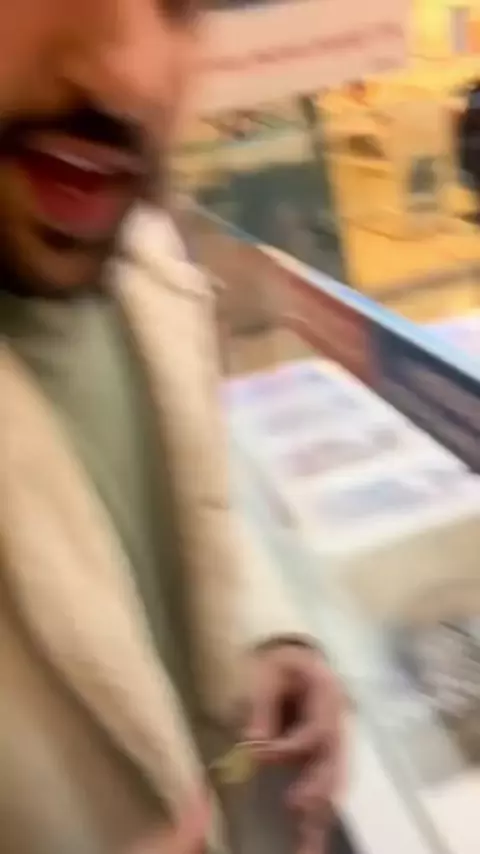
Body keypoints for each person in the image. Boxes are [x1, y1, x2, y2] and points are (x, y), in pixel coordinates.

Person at [0, 3, 343, 853]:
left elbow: (163, 501)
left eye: (181, 4)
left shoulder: (139, 248)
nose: (130, 72)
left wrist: (262, 632)